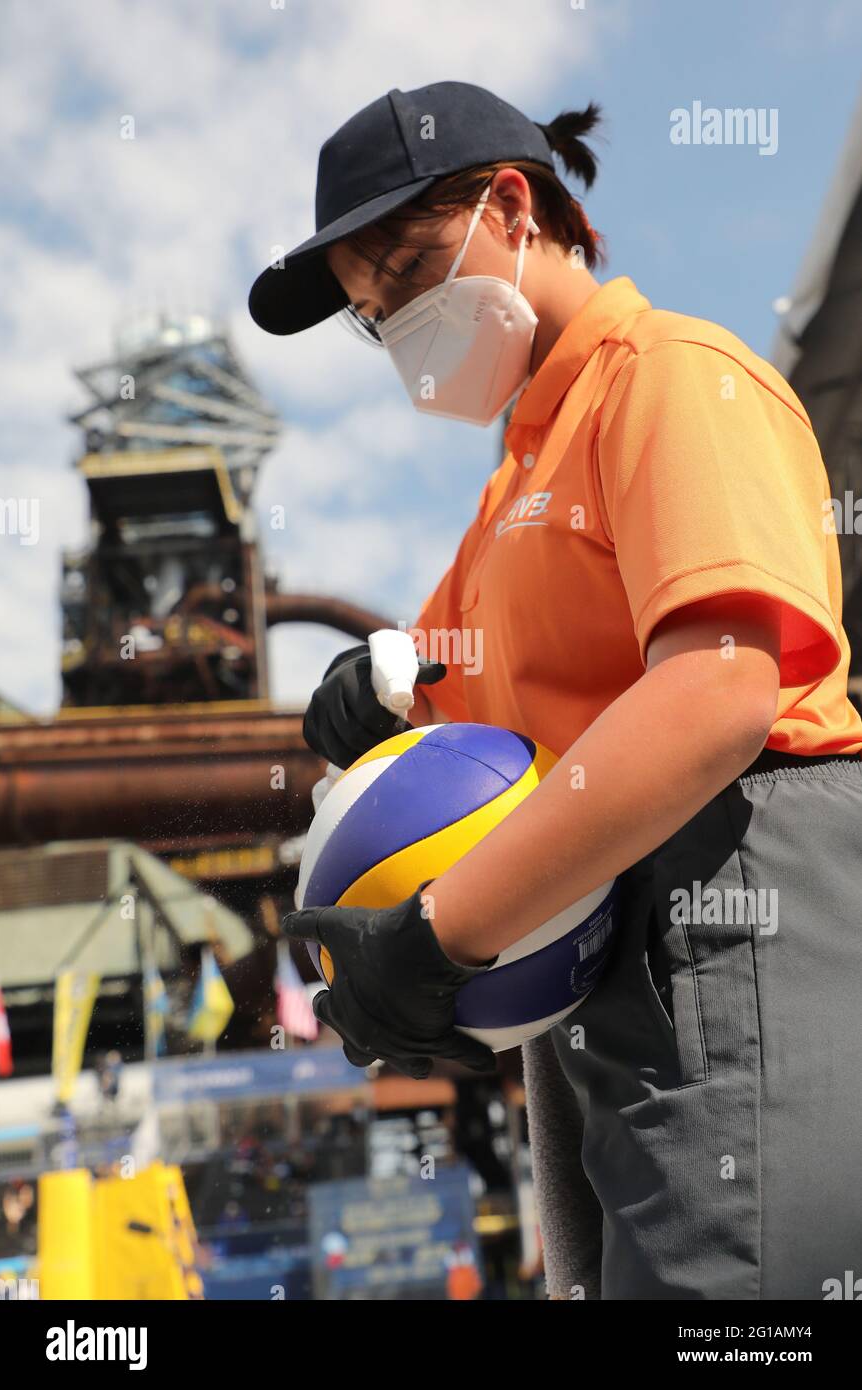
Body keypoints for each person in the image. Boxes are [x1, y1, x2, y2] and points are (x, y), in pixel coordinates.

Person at [249, 81, 862, 1300]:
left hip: (726, 901)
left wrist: (439, 932)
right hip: (598, 961)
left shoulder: (673, 379)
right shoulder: (516, 476)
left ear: (511, 207)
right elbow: (446, 696)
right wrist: (371, 708)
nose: (402, 326)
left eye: (411, 275)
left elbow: (716, 692)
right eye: (376, 318)